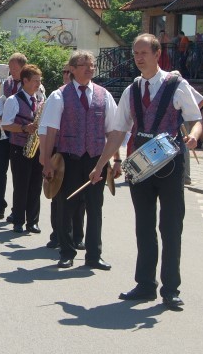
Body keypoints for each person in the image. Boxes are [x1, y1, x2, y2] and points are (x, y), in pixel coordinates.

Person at [89, 33, 202, 311]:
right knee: (144, 226)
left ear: (156, 54)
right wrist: (101, 164)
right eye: (135, 53)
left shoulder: (177, 85)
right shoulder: (131, 90)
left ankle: (171, 289)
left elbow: (195, 119)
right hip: (139, 167)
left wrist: (194, 137)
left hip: (171, 166)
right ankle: (145, 284)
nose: (138, 58)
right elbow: (117, 132)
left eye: (143, 53)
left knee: (171, 227)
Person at [40, 51, 121, 270]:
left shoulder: (104, 95)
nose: (89, 68)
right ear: (73, 69)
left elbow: (114, 131)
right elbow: (50, 130)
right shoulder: (59, 95)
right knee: (66, 205)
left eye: (92, 65)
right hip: (69, 159)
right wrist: (46, 161)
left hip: (96, 159)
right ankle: (66, 252)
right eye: (84, 65)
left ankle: (94, 255)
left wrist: (116, 160)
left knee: (95, 208)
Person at [39, 63, 86, 250]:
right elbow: (44, 128)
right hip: (58, 151)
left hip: (80, 152)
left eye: (69, 71)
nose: (67, 75)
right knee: (58, 196)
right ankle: (57, 234)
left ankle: (77, 236)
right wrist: (44, 156)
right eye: (64, 71)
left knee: (80, 198)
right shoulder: (57, 95)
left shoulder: (87, 94)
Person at [0, 64, 44, 234]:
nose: (38, 84)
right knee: (21, 185)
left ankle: (33, 221)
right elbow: (6, 124)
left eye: (39, 81)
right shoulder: (13, 100)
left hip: (37, 147)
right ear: (25, 81)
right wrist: (25, 128)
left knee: (36, 185)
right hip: (19, 148)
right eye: (35, 81)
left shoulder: (40, 99)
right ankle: (18, 220)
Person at [0, 52, 26, 220]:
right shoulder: (7, 83)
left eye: (15, 69)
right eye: (11, 69)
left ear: (23, 67)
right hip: (3, 130)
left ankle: (18, 211)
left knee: (19, 173)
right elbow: (2, 99)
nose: (12, 72)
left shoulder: (31, 82)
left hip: (21, 132)